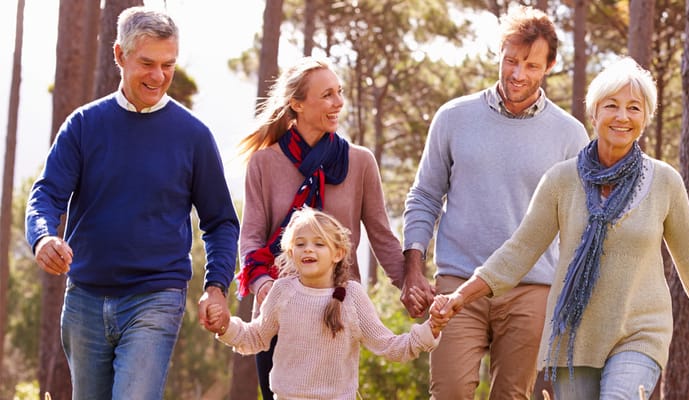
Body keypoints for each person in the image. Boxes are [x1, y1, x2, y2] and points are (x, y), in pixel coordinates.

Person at [431, 57, 689, 399]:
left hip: (640, 333)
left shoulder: (664, 182)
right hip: (575, 337)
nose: (622, 116)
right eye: (611, 105)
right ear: (594, 113)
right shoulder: (561, 180)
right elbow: (519, 251)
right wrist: (460, 296)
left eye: (634, 108)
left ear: (645, 118)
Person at [24, 6, 239, 399]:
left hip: (157, 296)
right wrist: (42, 237)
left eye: (168, 65)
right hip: (85, 299)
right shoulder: (83, 125)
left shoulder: (193, 136)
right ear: (120, 55)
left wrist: (216, 286)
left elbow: (221, 222)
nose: (159, 76)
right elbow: (47, 194)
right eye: (147, 63)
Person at [402, 4, 589, 399]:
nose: (518, 74)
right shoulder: (454, 117)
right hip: (457, 282)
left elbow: (579, 223)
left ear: (550, 66)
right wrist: (413, 268)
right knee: (449, 391)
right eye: (511, 61)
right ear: (500, 54)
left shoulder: (570, 135)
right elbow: (425, 195)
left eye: (531, 65)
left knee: (512, 395)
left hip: (531, 288)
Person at [234, 56, 432, 399]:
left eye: (339, 92)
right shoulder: (264, 162)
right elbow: (250, 236)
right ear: (297, 104)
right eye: (327, 95)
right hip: (280, 310)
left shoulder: (360, 161)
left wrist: (410, 286)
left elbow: (382, 236)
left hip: (337, 311)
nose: (339, 102)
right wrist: (263, 284)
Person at [207, 207, 443, 399]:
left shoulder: (351, 297)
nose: (308, 249)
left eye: (319, 244)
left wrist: (429, 330)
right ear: (290, 252)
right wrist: (225, 326)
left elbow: (390, 346)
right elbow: (255, 337)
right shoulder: (282, 291)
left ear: (338, 253)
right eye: (300, 244)